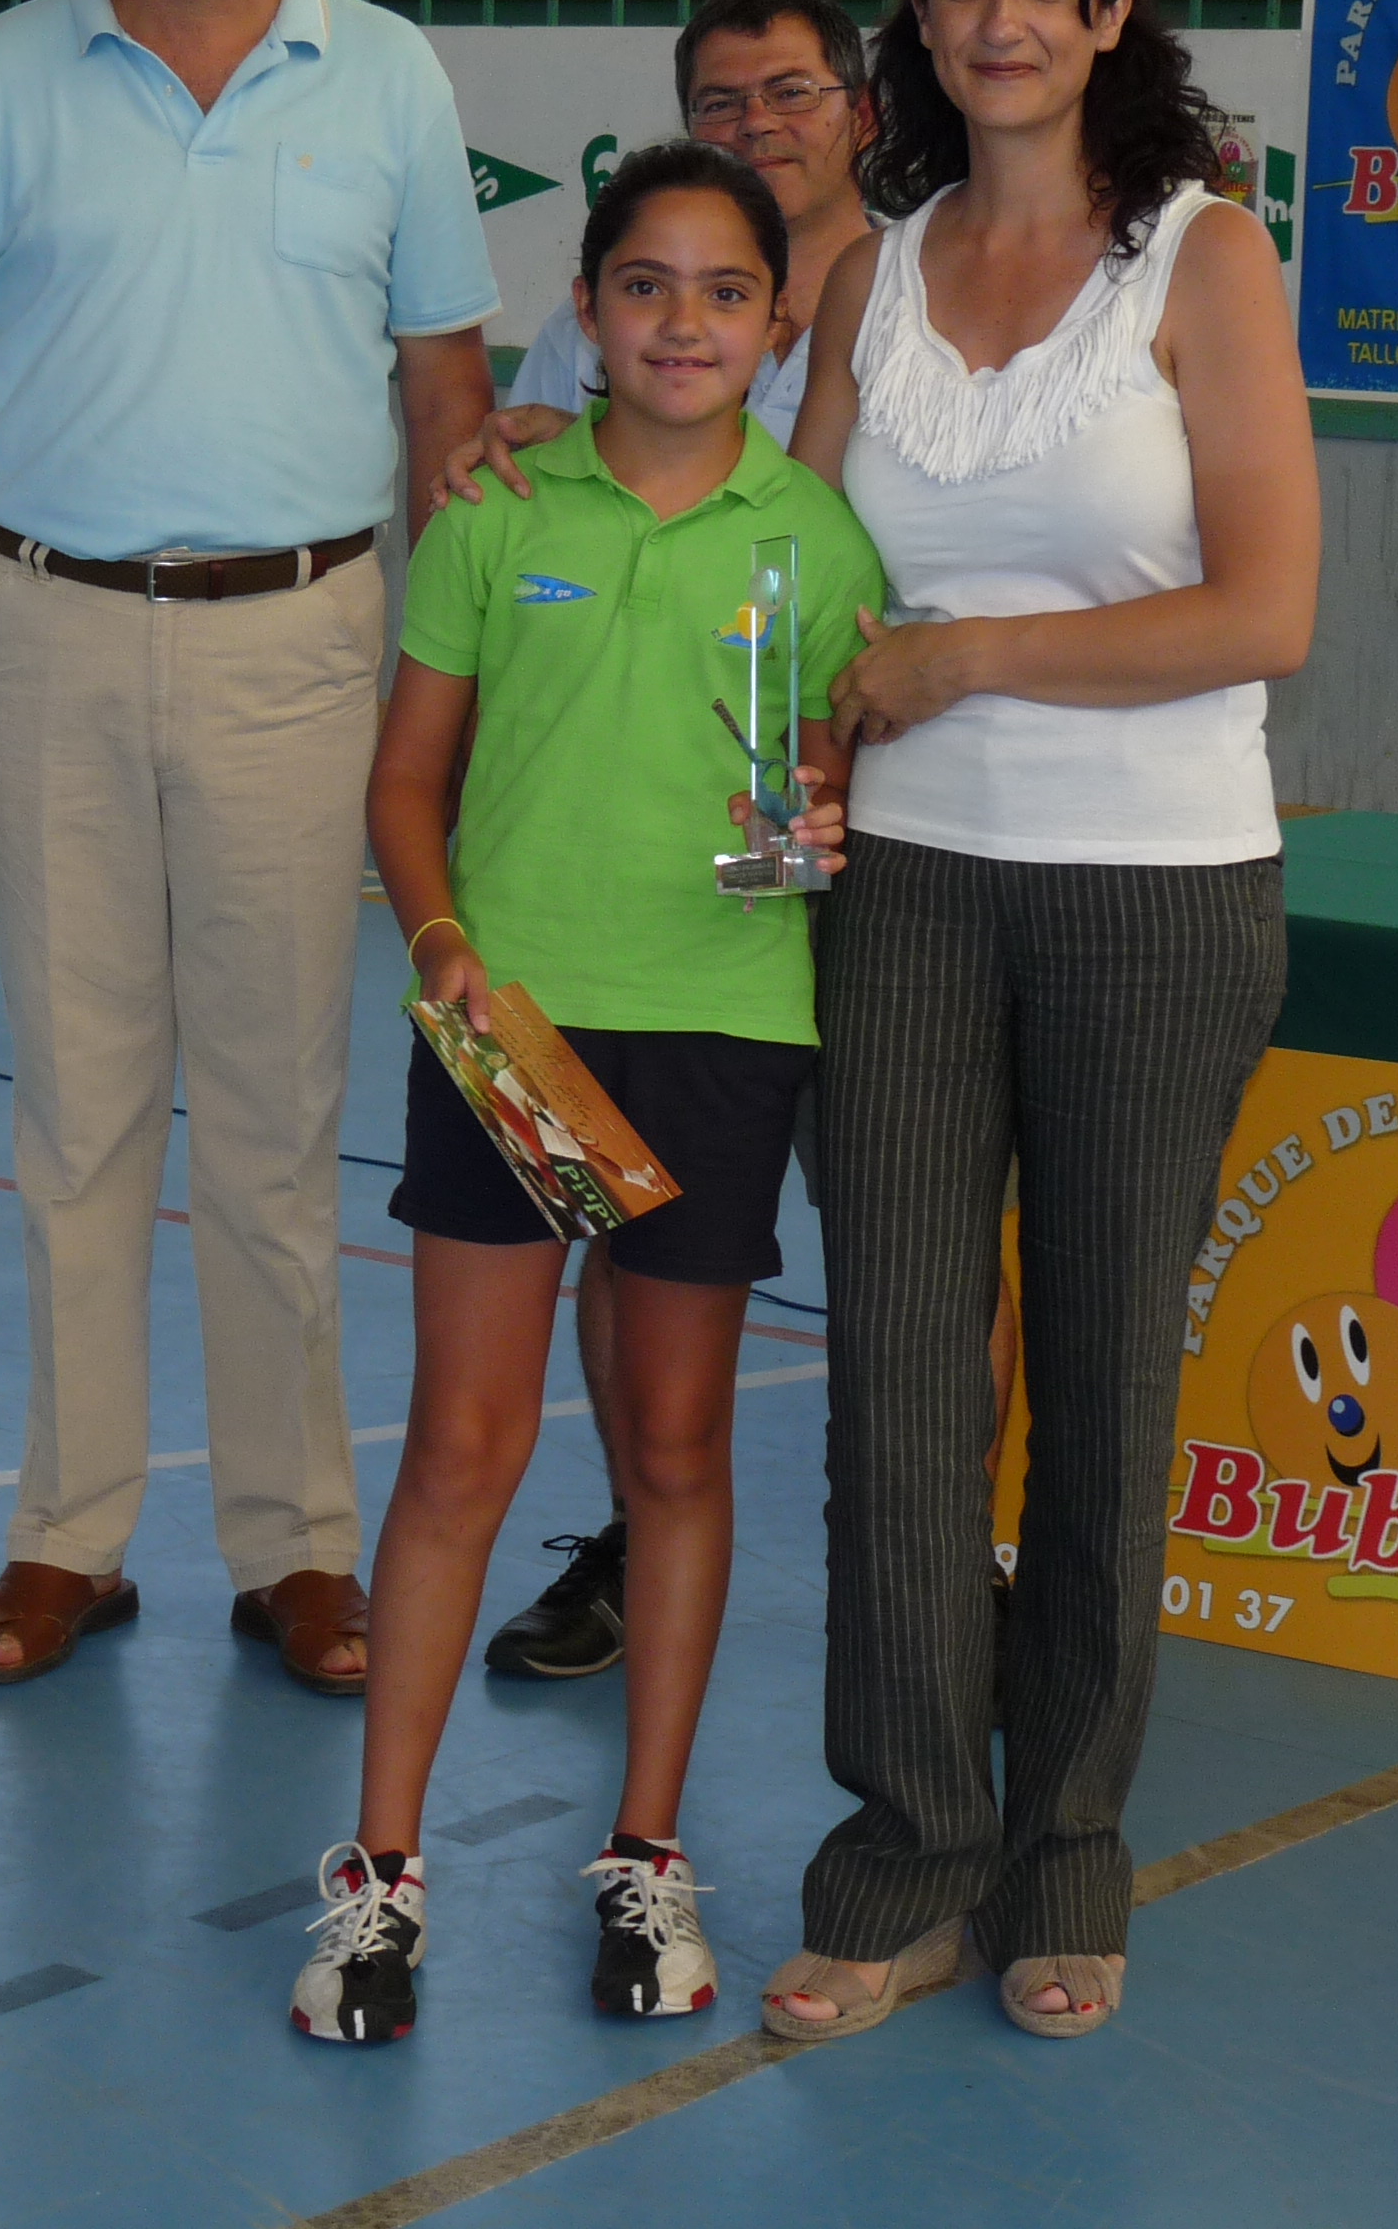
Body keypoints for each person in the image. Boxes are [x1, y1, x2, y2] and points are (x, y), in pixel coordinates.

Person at [0, 0, 502, 1699]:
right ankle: (70, 1537)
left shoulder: (389, 77)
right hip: (43, 634)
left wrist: (462, 706)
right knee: (81, 1108)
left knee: (282, 1120)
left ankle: (298, 1545)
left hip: (304, 646)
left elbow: (448, 401)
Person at [755, 0, 1318, 2045]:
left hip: (1159, 899)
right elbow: (794, 576)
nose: (1002, 17)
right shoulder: (865, 274)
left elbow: (1266, 612)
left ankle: (1067, 1852)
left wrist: (968, 656)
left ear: (1112, 16)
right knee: (900, 1384)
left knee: (1098, 1388)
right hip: (898, 893)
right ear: (918, 20)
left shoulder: (1206, 255)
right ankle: (907, 1855)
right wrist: (564, 462)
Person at [291, 144, 885, 2044]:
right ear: (588, 306)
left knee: (677, 1452)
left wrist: (826, 816)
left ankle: (648, 1856)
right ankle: (380, 1882)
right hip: (512, 1031)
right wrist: (444, 946)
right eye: (646, 285)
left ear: (777, 323)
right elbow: (408, 779)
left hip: (719, 1027)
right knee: (462, 1449)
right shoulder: (496, 504)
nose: (683, 322)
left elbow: (827, 783)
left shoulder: (820, 544)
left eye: (726, 291)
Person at [468, 0, 877, 1686]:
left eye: (792, 92)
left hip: (877, 862)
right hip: (649, 909)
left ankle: (950, 1575)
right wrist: (513, 445)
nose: (757, 123)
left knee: (914, 1237)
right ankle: (635, 1535)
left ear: (861, 110)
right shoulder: (594, 335)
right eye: (721, 99)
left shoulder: (918, 298)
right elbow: (515, 497)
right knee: (625, 1246)